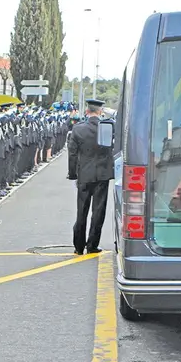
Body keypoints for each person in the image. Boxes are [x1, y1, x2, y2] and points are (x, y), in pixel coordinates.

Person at [67, 99, 115, 255]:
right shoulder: (108, 128)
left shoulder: (78, 129)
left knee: (82, 210)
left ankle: (78, 246)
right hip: (102, 175)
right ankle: (92, 245)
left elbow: (72, 154)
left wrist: (73, 173)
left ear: (87, 112)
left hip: (85, 175)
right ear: (100, 112)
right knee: (98, 211)